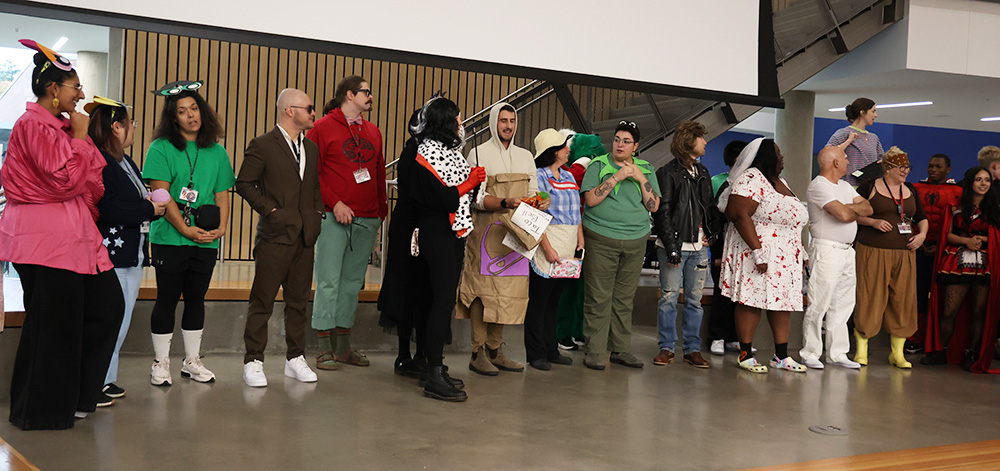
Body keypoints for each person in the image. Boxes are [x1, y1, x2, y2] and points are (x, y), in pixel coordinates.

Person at [0, 40, 124, 429]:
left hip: (73, 239)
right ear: (54, 90)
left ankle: (78, 396)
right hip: (44, 242)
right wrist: (81, 139)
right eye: (75, 87)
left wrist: (79, 137)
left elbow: (92, 184)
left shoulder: (61, 127)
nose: (82, 94)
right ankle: (40, 412)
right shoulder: (33, 125)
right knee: (52, 327)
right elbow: (65, 181)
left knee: (106, 309)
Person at [143, 80, 235, 385]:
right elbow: (161, 194)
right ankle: (161, 363)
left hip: (206, 239)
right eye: (182, 111)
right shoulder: (161, 148)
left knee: (196, 299)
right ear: (173, 118)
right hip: (170, 238)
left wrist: (221, 228)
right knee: (167, 298)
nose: (191, 115)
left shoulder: (217, 151)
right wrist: (184, 229)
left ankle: (192, 361)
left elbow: (223, 193)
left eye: (194, 108)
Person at [236, 88, 323, 387]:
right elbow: (244, 183)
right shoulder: (262, 144)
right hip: (275, 236)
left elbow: (313, 187)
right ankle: (253, 360)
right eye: (308, 107)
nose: (313, 113)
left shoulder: (311, 148)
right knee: (262, 301)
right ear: (289, 110)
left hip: (305, 237)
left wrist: (316, 214)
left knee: (298, 302)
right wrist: (271, 210)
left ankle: (295, 358)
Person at [456, 102, 547, 376]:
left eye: (511, 121)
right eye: (502, 121)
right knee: (481, 293)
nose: (508, 126)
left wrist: (540, 202)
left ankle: (496, 349)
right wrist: (506, 200)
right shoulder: (478, 153)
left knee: (507, 292)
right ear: (493, 122)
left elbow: (535, 190)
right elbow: (475, 197)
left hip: (515, 235)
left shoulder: (525, 156)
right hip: (485, 233)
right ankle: (477, 351)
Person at [403, 97, 485, 400]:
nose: (460, 125)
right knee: (440, 300)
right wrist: (467, 184)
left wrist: (474, 184)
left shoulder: (451, 152)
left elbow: (461, 192)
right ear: (445, 121)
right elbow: (438, 197)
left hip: (454, 231)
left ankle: (434, 364)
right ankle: (433, 372)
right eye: (457, 119)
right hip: (437, 230)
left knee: (442, 299)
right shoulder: (426, 152)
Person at [89, 96, 168, 403]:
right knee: (109, 319)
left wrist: (147, 204)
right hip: (113, 253)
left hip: (131, 253)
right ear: (117, 127)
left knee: (121, 322)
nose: (135, 128)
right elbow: (108, 208)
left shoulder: (125, 160)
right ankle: (94, 382)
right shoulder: (103, 162)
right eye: (131, 123)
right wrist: (149, 209)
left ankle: (106, 378)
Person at [308, 75, 387, 370]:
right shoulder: (321, 127)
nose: (370, 96)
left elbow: (378, 172)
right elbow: (310, 174)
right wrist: (334, 203)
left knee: (352, 283)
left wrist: (380, 211)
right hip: (333, 216)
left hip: (367, 217)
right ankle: (324, 347)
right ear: (349, 95)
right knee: (328, 282)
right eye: (366, 92)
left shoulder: (373, 131)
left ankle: (344, 346)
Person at [718, 138, 807, 374]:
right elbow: (738, 214)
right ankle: (745, 354)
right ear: (765, 156)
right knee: (751, 301)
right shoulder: (750, 179)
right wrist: (758, 251)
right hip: (757, 252)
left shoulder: (781, 182)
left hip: (786, 257)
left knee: (782, 303)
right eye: (777, 153)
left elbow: (792, 220)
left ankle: (781, 356)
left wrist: (803, 252)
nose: (782, 157)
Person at [579, 121, 660, 370]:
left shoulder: (646, 168)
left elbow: (653, 205)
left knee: (624, 298)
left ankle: (621, 349)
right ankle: (594, 350)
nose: (620, 144)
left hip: (636, 240)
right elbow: (591, 199)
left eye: (626, 141)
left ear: (635, 146)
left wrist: (639, 177)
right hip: (601, 237)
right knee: (598, 296)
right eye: (616, 139)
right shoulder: (598, 165)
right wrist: (617, 176)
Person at [651, 120, 719, 368]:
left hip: (699, 248)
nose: (705, 142)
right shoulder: (666, 173)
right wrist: (671, 247)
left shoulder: (702, 173)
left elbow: (709, 208)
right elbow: (663, 213)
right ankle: (666, 347)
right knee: (668, 297)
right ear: (690, 142)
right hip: (674, 246)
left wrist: (712, 235)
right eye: (701, 138)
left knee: (694, 300)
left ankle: (692, 349)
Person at [853, 146, 928, 368]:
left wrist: (922, 235)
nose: (905, 171)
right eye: (900, 167)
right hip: (873, 249)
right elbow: (852, 213)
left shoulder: (911, 190)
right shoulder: (869, 186)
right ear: (888, 168)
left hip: (905, 252)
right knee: (870, 296)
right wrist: (873, 222)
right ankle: (862, 349)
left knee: (903, 299)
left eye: (907, 166)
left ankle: (897, 352)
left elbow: (921, 217)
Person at [798, 146, 872, 370]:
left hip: (848, 250)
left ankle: (837, 353)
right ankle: (810, 352)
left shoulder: (845, 185)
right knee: (819, 302)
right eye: (845, 158)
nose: (849, 162)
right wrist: (851, 209)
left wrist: (849, 208)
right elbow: (842, 215)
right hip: (827, 249)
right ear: (835, 163)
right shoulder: (819, 185)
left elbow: (868, 208)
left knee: (844, 303)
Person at [921, 167, 1000, 371]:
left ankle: (971, 354)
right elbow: (945, 234)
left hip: (986, 264)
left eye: (987, 180)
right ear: (970, 182)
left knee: (979, 311)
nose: (983, 184)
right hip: (956, 262)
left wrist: (984, 239)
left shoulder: (995, 208)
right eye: (978, 180)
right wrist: (966, 241)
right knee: (949, 311)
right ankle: (940, 351)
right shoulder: (955, 205)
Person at [524, 128, 581, 371]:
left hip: (568, 246)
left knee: (554, 301)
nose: (568, 149)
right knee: (539, 301)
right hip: (548, 245)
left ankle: (551, 348)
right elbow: (533, 215)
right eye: (564, 146)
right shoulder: (538, 177)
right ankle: (536, 352)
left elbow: (576, 212)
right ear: (553, 152)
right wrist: (546, 247)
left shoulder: (568, 176)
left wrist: (580, 240)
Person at [556, 133, 606, 350]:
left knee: (580, 286)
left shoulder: (584, 168)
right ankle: (563, 331)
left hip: (585, 231)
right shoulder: (572, 170)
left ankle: (574, 330)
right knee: (567, 286)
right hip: (568, 233)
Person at [909, 154, 961, 353]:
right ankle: (916, 336)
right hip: (919, 247)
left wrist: (942, 245)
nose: (933, 170)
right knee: (917, 294)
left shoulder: (958, 192)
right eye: (930, 166)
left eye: (938, 166)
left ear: (948, 169)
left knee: (946, 297)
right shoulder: (915, 188)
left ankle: (941, 340)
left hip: (946, 250)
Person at [708, 140, 745, 356]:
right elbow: (712, 217)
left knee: (739, 294)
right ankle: (717, 337)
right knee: (722, 293)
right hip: (722, 246)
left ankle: (733, 337)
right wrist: (717, 251)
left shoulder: (751, 183)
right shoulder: (718, 182)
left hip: (742, 248)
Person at [826, 97, 883, 186]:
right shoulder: (843, 133)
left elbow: (881, 159)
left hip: (869, 188)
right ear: (862, 113)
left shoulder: (874, 138)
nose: (875, 115)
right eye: (873, 111)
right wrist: (849, 141)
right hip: (848, 186)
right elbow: (827, 154)